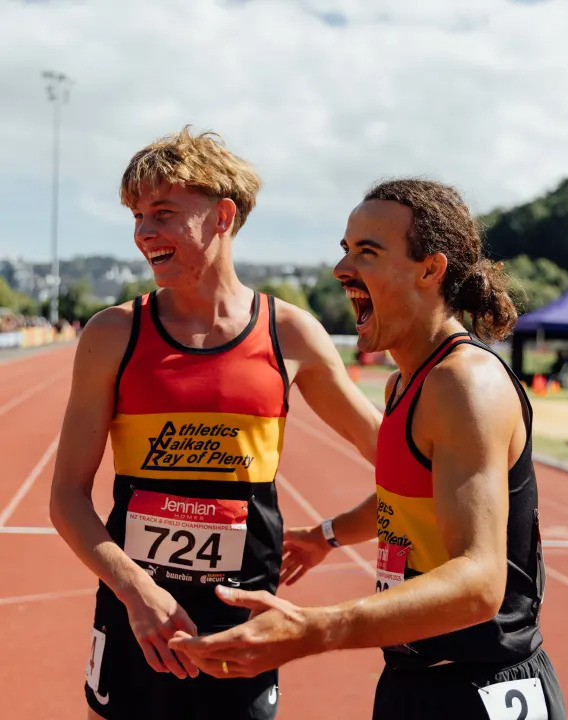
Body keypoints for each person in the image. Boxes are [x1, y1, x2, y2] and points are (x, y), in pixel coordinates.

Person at [169, 179, 567, 719]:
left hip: (481, 686)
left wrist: (316, 629)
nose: (341, 269)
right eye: (345, 249)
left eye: (368, 252)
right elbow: (407, 500)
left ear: (431, 269)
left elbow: (479, 582)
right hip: (414, 681)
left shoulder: (465, 384)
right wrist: (325, 536)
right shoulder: (404, 383)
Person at [49, 127, 382, 720]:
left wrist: (332, 534)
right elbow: (67, 498)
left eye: (163, 213)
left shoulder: (289, 333)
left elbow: (394, 453)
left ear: (223, 215)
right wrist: (137, 590)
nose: (143, 232)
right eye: (136, 216)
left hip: (241, 622)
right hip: (137, 612)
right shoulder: (112, 334)